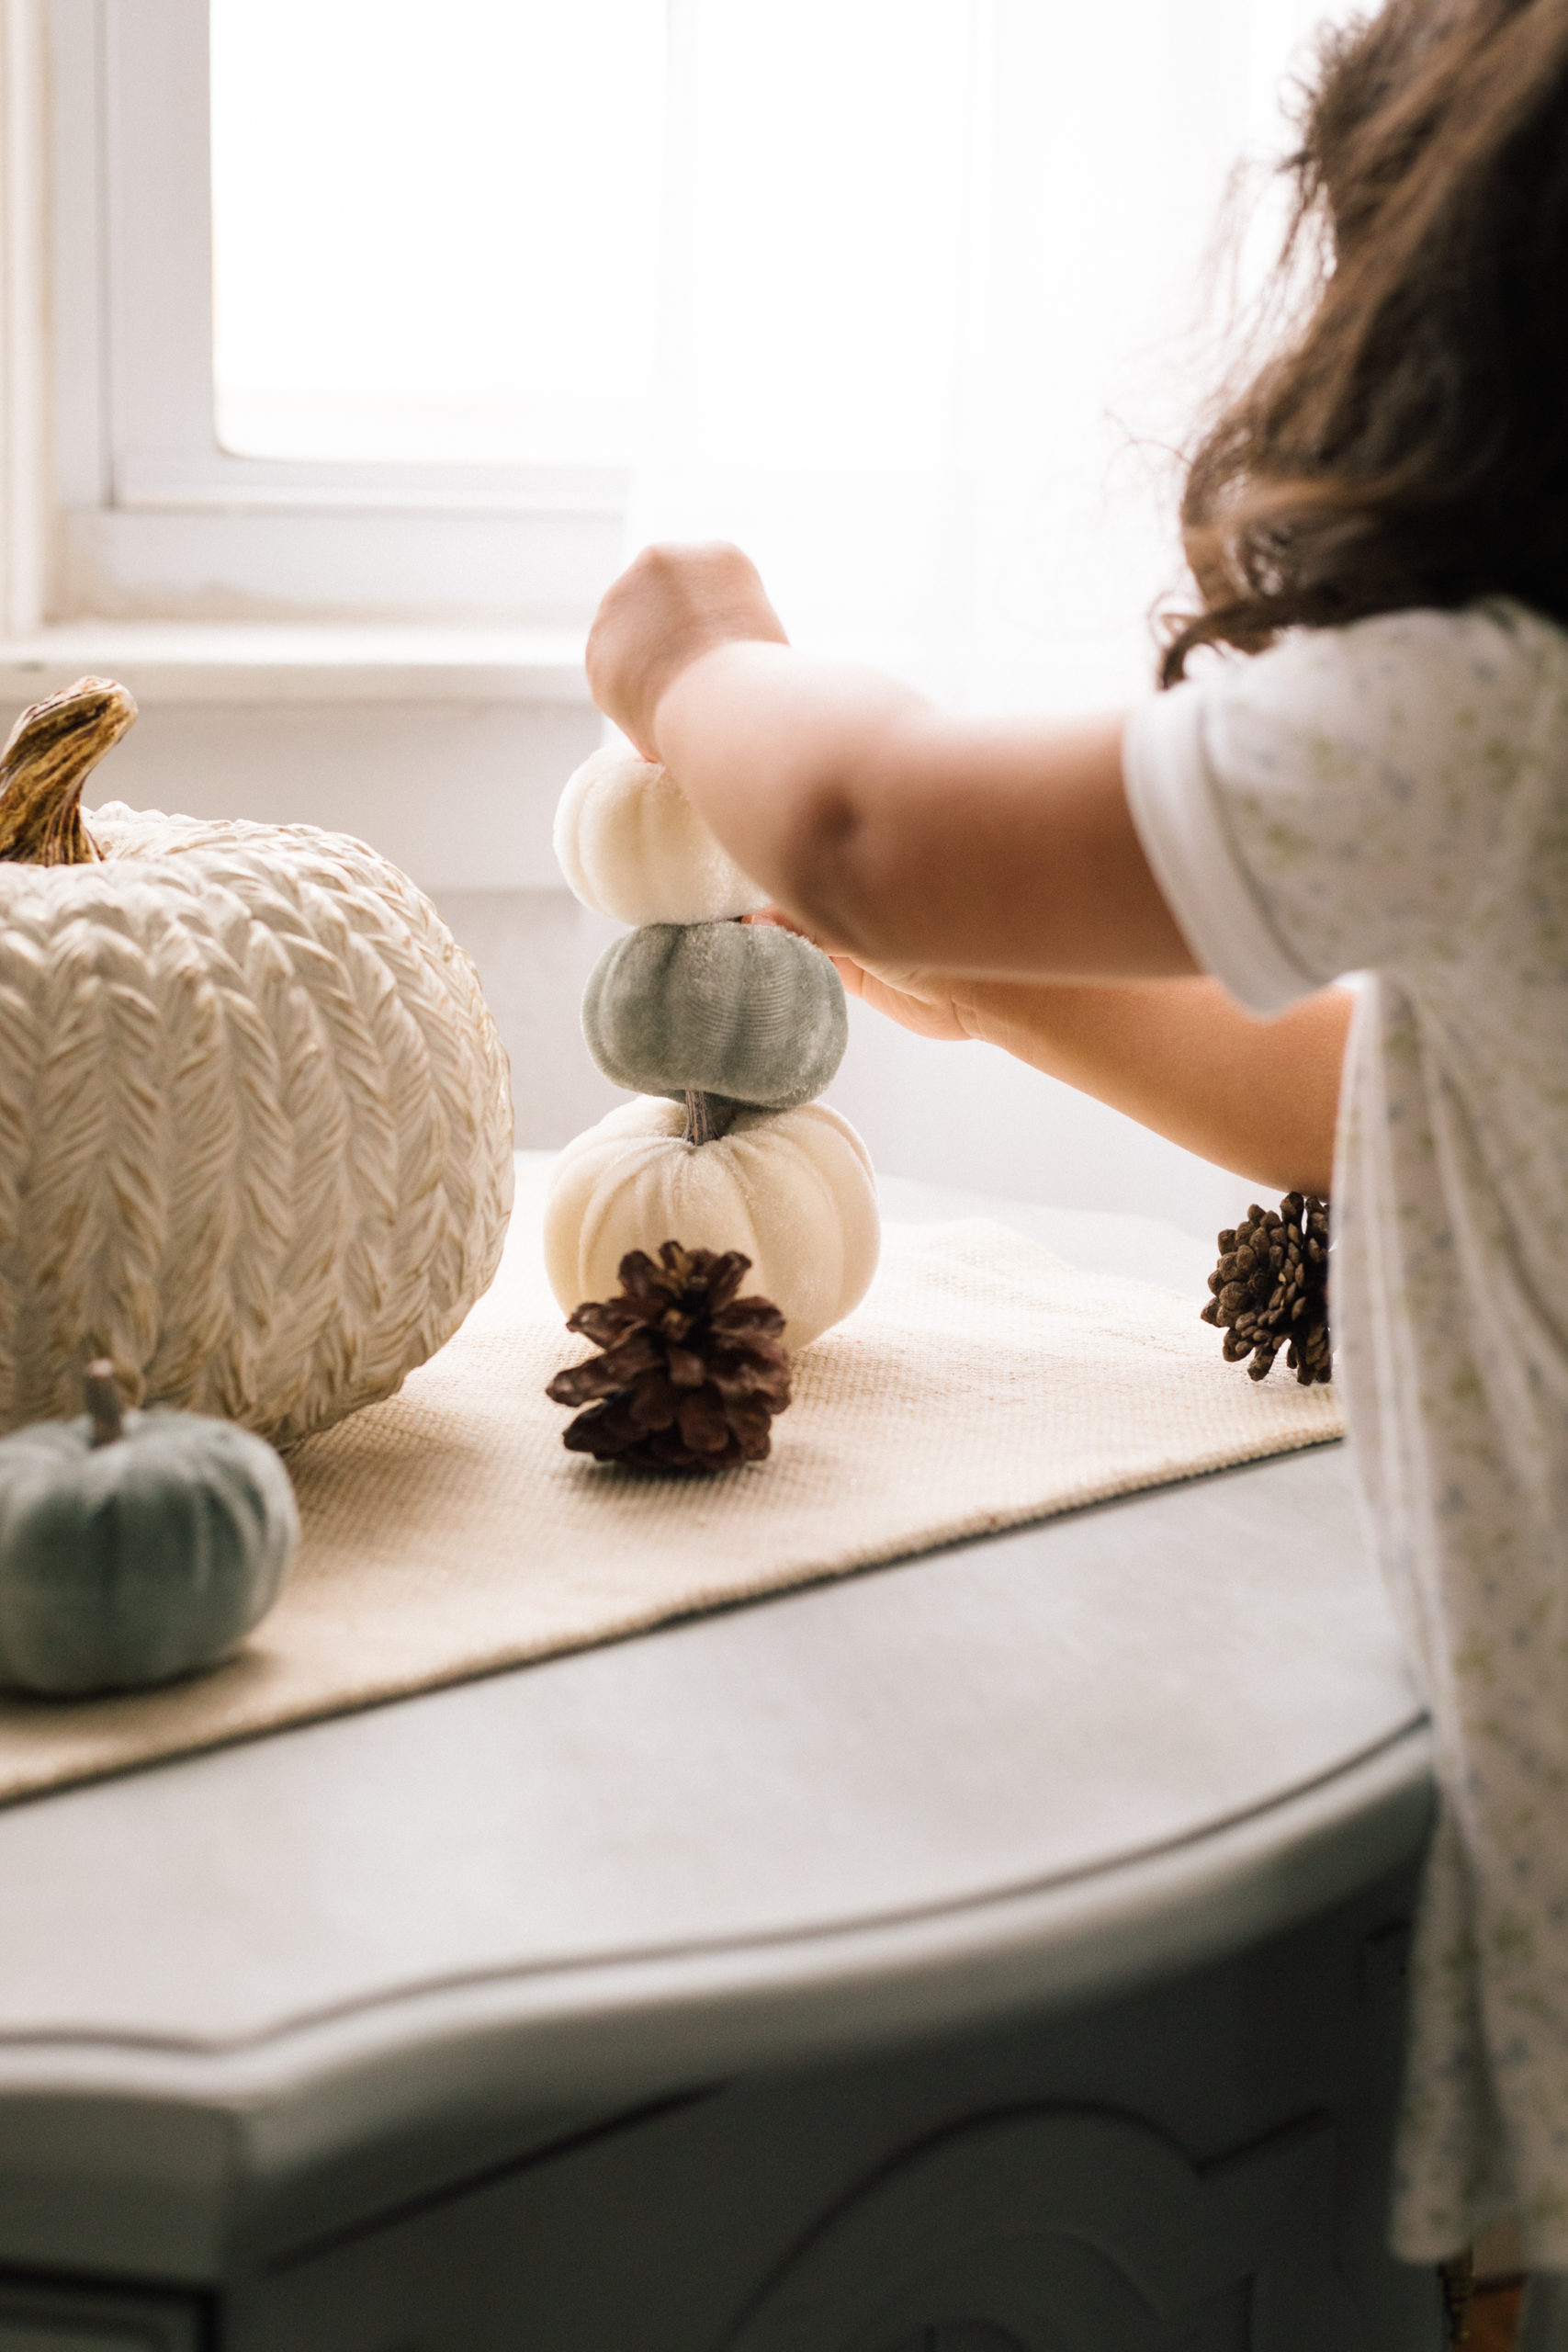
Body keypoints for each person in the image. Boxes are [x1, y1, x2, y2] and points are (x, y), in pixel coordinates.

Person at [584, 0, 1568, 2340]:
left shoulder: (1495, 709)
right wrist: (1007, 974)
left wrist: (699, 663)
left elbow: (865, 821)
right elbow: (1412, 1106)